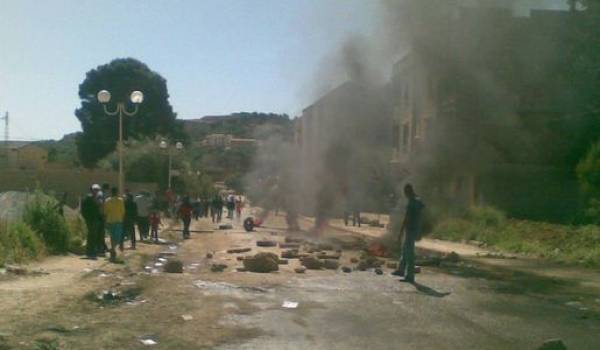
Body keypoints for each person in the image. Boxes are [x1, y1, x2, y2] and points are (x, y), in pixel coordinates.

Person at [392, 184, 425, 283]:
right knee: (405, 250)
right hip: (414, 229)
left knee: (409, 253)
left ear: (407, 192)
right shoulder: (417, 200)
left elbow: (407, 218)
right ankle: (401, 270)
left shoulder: (412, 202)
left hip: (410, 229)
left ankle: (410, 276)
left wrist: (400, 232)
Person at [103, 187, 125, 262]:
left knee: (112, 236)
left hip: (110, 220)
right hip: (118, 220)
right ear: (117, 192)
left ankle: (112, 249)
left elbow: (105, 212)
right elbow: (123, 211)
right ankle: (113, 249)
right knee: (118, 237)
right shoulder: (120, 201)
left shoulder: (107, 201)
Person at [81, 185, 101, 259]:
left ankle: (91, 251)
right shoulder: (89, 198)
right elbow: (85, 209)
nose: (96, 192)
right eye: (95, 190)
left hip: (93, 219)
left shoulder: (93, 198)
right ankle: (91, 252)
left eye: (97, 190)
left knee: (92, 235)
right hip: (91, 219)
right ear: (92, 190)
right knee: (92, 235)